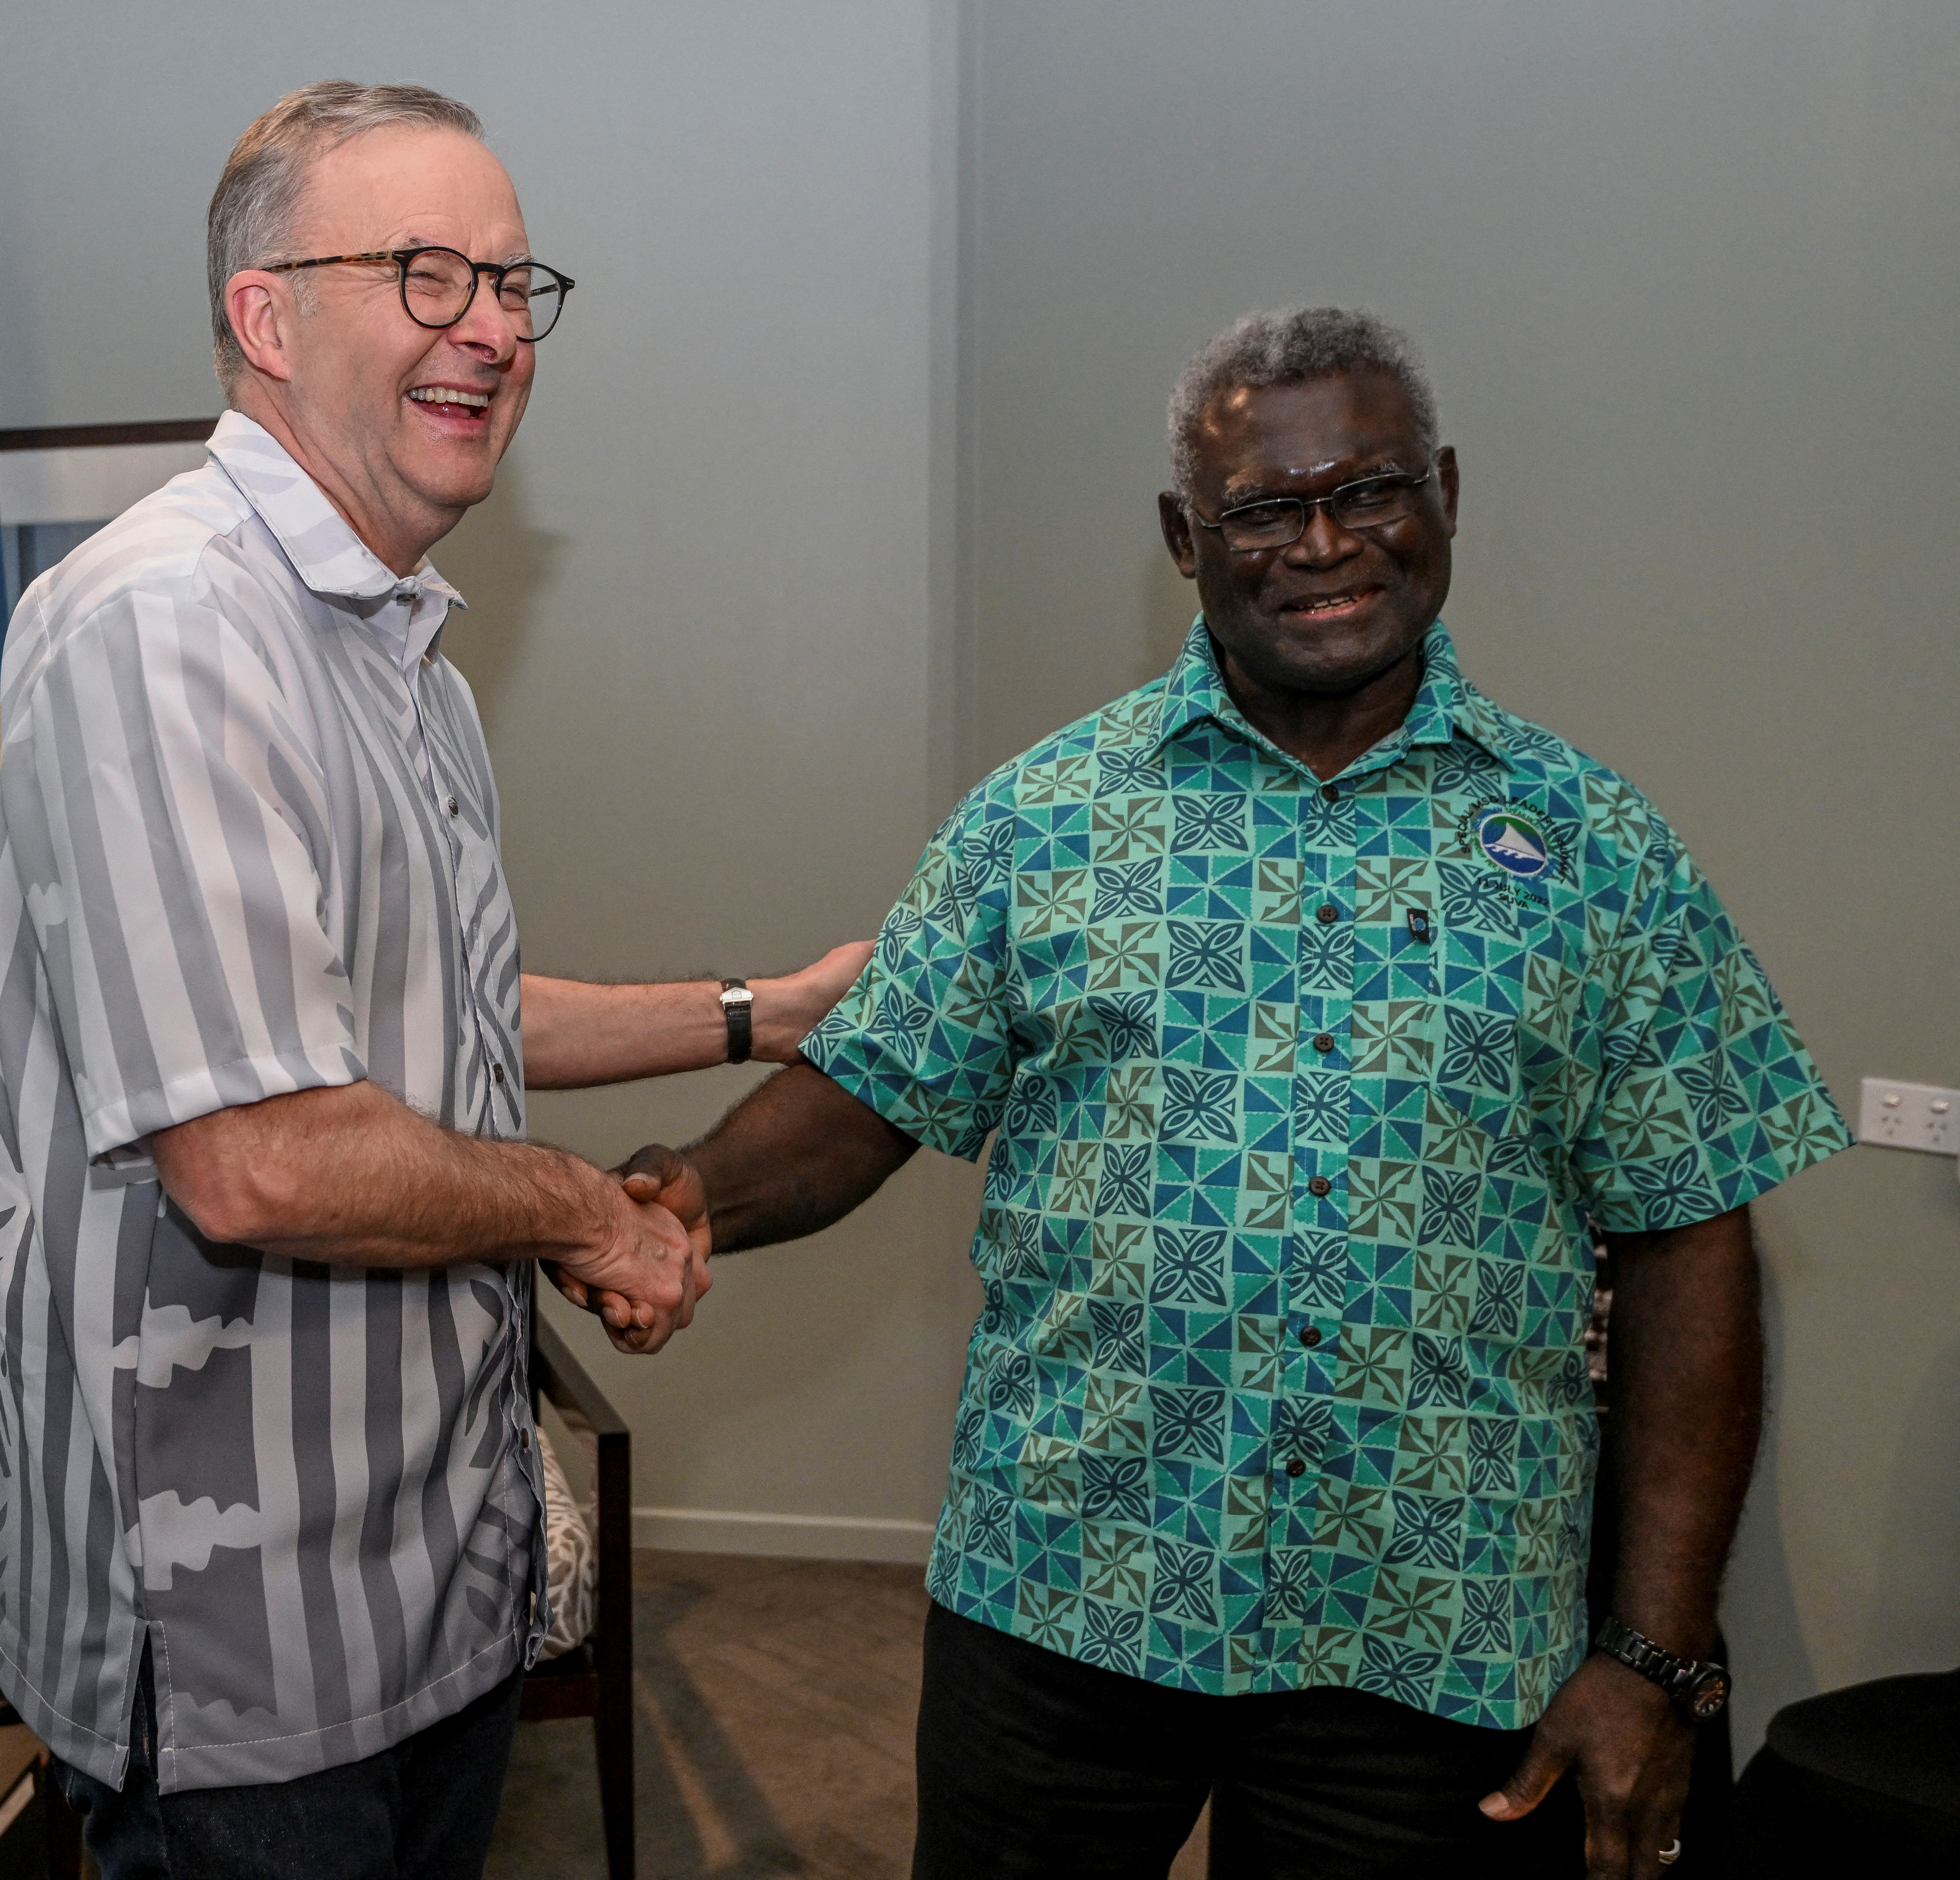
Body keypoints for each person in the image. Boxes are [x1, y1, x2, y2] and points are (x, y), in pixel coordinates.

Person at [608, 308, 1850, 1879]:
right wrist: (682, 1200)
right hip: (1066, 1595)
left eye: (1369, 489)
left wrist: (1654, 1654)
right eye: (1265, 509)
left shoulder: (1601, 852)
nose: (1324, 543)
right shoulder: (1042, 820)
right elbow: (868, 1090)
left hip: (1432, 1629)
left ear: (1446, 493)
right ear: (1184, 539)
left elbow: (1692, 1242)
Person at [0, 81, 864, 1880]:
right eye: (425, 274)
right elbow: (262, 1153)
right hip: (243, 1662)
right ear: (266, 317)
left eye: (513, 284)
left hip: (433, 1598)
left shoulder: (413, 665)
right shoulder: (169, 626)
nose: (490, 328)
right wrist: (588, 1217)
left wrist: (762, 1011)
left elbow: (441, 1014)